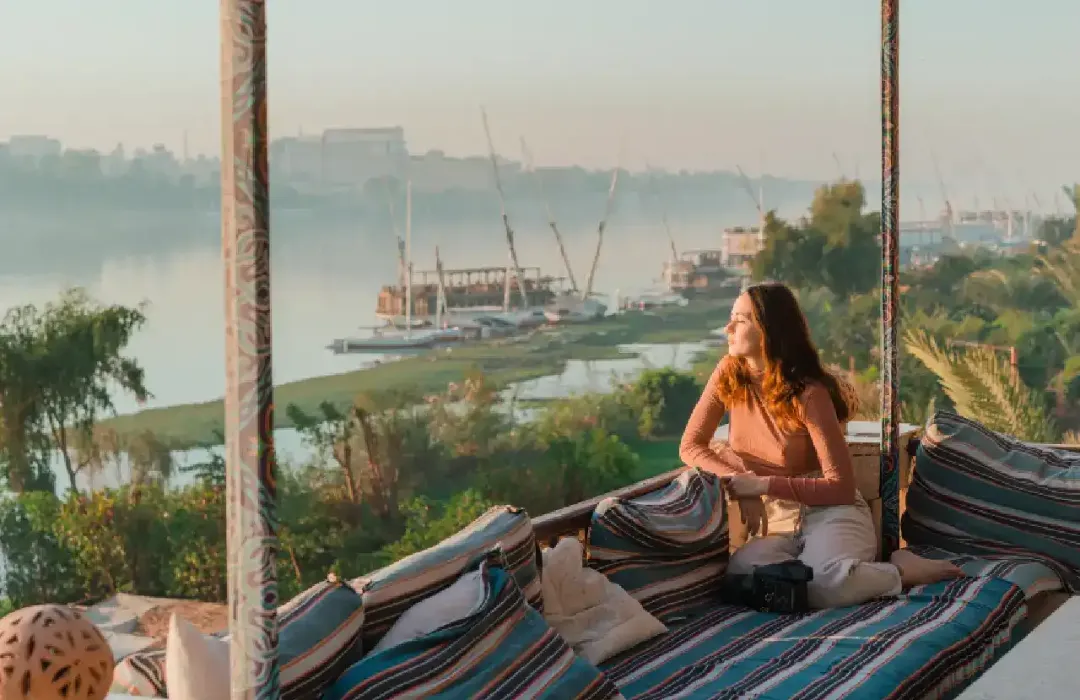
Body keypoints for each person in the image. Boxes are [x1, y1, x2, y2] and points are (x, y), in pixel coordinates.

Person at [679, 282, 961, 609]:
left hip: (829, 511)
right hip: (776, 520)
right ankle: (824, 573)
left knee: (826, 583)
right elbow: (691, 446)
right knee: (741, 576)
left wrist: (762, 485)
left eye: (740, 320)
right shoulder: (728, 374)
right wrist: (742, 482)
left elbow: (840, 487)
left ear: (769, 330)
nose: (728, 328)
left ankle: (901, 570)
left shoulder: (808, 393)